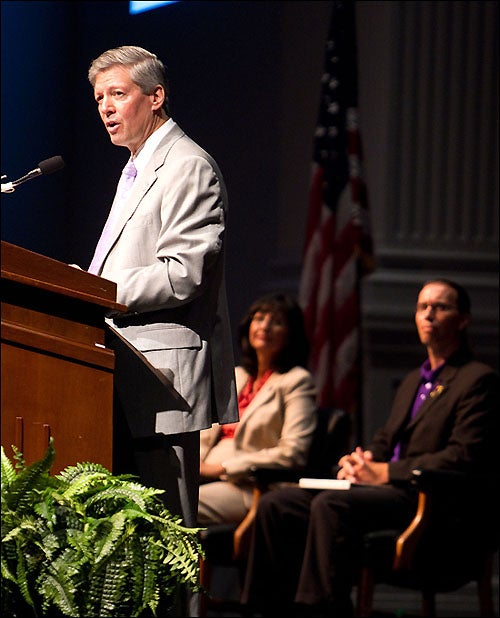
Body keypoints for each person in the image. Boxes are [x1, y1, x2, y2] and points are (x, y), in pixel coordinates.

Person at [84, 45, 239, 615]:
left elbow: (184, 274)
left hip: (162, 380)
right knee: (130, 550)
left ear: (156, 97)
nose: (105, 107)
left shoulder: (187, 165)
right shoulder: (137, 167)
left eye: (118, 94)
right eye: (99, 98)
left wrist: (98, 289)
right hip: (123, 372)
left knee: (167, 542)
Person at [240, 278, 499, 617]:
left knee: (331, 506)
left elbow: (462, 456)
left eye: (441, 307)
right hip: (385, 493)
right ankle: (264, 610)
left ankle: (318, 610)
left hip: (430, 500)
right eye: (423, 307)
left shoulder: (477, 379)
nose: (429, 315)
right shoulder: (412, 381)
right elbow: (385, 440)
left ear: (463, 319)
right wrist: (360, 461)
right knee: (278, 504)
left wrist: (385, 471)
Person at [198, 291, 317, 526]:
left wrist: (222, 468)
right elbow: (204, 431)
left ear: (290, 334)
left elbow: (293, 451)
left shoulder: (296, 381)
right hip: (201, 477)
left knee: (175, 506)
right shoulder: (237, 375)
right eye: (260, 318)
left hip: (250, 487)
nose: (265, 326)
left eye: (277, 322)